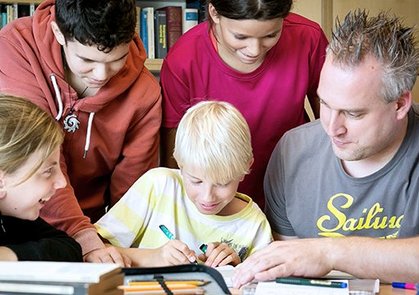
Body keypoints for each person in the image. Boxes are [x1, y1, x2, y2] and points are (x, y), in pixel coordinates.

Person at [233, 9, 419, 288]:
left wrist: (329, 252)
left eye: (353, 114)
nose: (332, 127)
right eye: (325, 104)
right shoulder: (291, 151)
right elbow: (292, 275)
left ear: (400, 104)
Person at [0, 0, 161, 264]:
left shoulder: (145, 93)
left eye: (117, 59)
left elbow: (130, 196)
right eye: (87, 59)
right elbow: (32, 154)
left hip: (88, 233)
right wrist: (83, 238)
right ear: (58, 33)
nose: (101, 74)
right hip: (22, 218)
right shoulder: (16, 48)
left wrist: (106, 247)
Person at [159, 0, 328, 209]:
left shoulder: (308, 38)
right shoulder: (184, 59)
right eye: (240, 37)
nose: (254, 50)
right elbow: (174, 151)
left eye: (270, 35)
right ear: (214, 12)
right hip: (215, 200)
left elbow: (331, 115)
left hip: (295, 186)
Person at [95, 101, 272, 267]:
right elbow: (94, 250)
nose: (207, 196)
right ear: (179, 162)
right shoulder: (158, 186)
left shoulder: (255, 225)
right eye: (196, 181)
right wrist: (153, 257)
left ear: (245, 168)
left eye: (222, 184)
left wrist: (236, 268)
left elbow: (264, 285)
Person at [0, 95, 82, 262]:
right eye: (48, 171)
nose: (62, 182)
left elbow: (70, 248)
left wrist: (9, 256)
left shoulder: (13, 216)